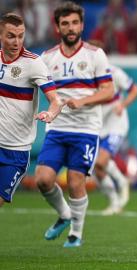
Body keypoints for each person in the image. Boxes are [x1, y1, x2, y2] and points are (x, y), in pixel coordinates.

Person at [35, 2, 114, 248]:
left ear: (82, 25)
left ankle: (75, 234)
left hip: (86, 130)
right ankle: (65, 214)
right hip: (57, 129)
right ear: (57, 27)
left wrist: (83, 101)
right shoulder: (47, 58)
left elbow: (109, 91)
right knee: (43, 179)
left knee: (76, 180)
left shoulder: (95, 55)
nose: (71, 28)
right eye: (65, 23)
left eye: (75, 23)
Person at [0, 13, 62, 207]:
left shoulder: (33, 63)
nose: (17, 41)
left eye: (21, 36)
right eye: (11, 36)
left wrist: (50, 113)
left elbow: (56, 100)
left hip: (15, 151)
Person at [95, 64, 137, 215]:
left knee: (101, 161)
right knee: (97, 167)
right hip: (96, 125)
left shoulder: (114, 72)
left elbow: (135, 89)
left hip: (116, 124)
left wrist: (123, 105)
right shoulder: (83, 73)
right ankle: (114, 201)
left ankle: (121, 183)